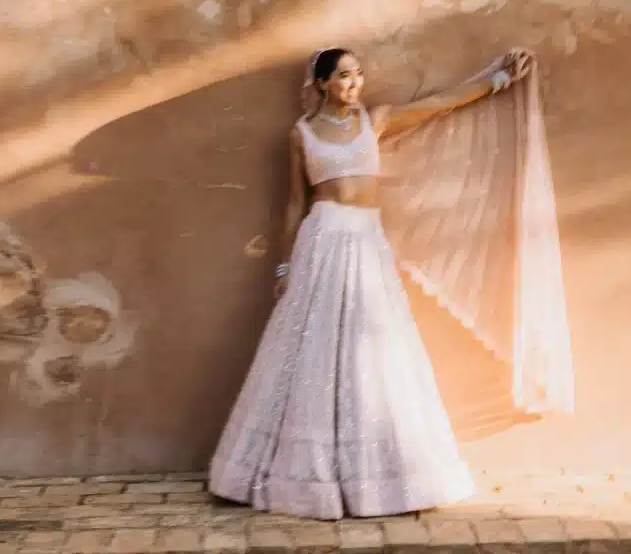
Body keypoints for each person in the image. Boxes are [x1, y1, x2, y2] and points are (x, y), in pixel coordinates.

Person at [208, 46, 550, 520]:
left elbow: (440, 104)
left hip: (367, 240)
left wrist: (497, 79)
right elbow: (292, 205)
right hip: (323, 237)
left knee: (374, 349)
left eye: (359, 74)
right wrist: (284, 267)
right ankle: (306, 477)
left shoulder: (377, 119)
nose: (355, 83)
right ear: (323, 83)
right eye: (345, 76)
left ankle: (380, 474)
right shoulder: (301, 134)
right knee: (313, 348)